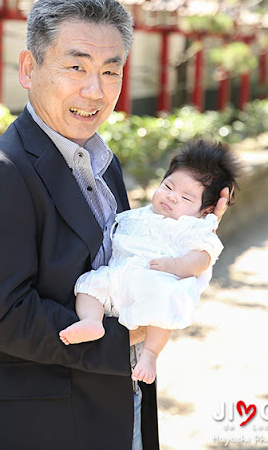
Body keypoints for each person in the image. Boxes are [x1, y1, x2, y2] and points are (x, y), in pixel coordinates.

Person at [0, 0, 229, 450]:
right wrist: (126, 337)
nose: (94, 90)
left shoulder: (102, 162)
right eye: (75, 66)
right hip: (43, 424)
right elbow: (0, 317)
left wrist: (191, 230)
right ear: (28, 68)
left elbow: (125, 255)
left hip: (120, 403)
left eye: (110, 70)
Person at [60, 139, 241, 385]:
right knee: (88, 285)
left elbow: (202, 257)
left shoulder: (193, 227)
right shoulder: (143, 214)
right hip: (116, 277)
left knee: (162, 304)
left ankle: (150, 354)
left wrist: (176, 266)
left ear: (204, 211)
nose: (172, 197)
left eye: (186, 198)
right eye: (168, 186)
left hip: (154, 280)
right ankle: (91, 321)